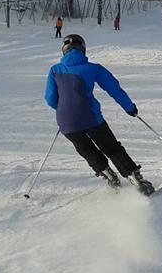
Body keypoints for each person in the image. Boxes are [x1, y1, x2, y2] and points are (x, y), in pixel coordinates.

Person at [44, 34, 154, 195]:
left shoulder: (55, 70)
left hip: (66, 122)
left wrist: (65, 112)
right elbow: (114, 89)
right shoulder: (94, 68)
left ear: (64, 51)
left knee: (86, 149)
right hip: (91, 118)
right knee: (111, 148)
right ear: (83, 49)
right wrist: (130, 108)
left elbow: (50, 98)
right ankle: (134, 177)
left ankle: (108, 175)